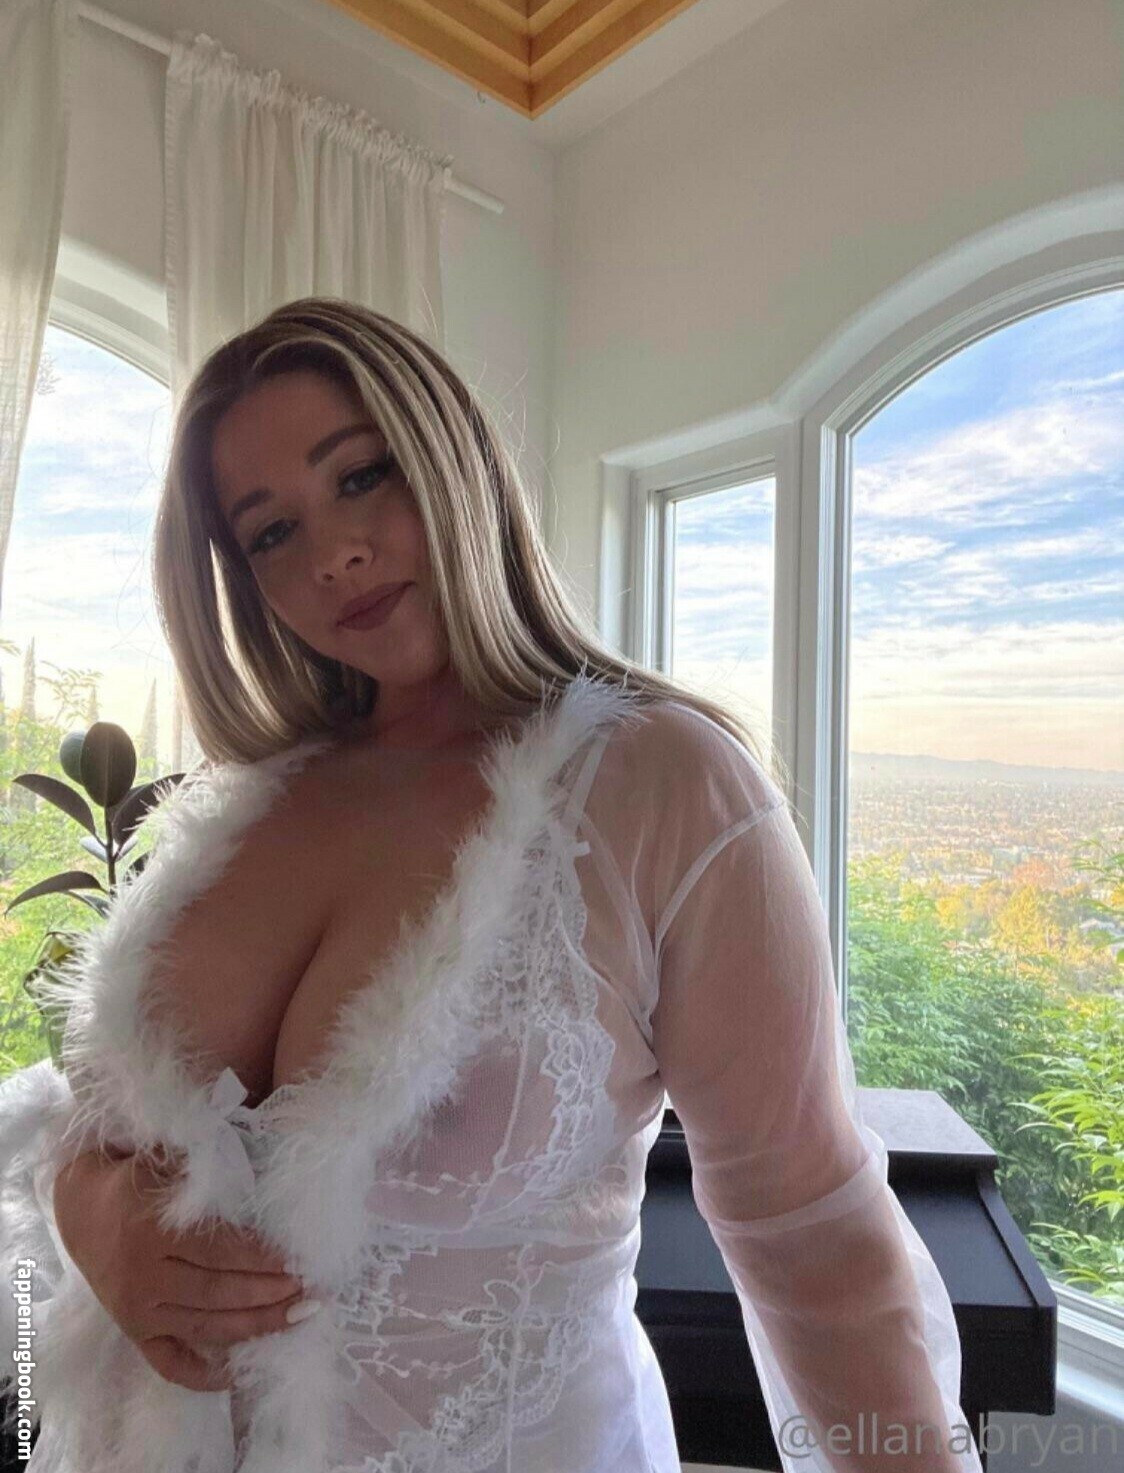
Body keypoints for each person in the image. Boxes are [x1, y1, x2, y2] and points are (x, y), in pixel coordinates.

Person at [0, 298, 983, 1473]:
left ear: (451, 457)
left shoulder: (662, 784)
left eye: (360, 476)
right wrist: (87, 1205)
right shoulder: (240, 806)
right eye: (270, 533)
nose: (331, 553)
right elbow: (99, 1112)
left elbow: (812, 1236)